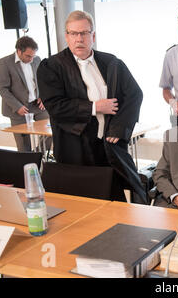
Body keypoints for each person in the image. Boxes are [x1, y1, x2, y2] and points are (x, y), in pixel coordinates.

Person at [37, 10, 147, 203]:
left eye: (84, 33)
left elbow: (134, 94)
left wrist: (119, 128)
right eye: (73, 33)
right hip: (75, 149)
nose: (79, 39)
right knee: (80, 206)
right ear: (66, 36)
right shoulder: (51, 66)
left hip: (108, 148)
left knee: (116, 204)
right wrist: (95, 107)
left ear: (93, 36)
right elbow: (55, 106)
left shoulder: (111, 62)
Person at [0, 36, 51, 152]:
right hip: (18, 109)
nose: (31, 59)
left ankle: (36, 155)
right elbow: (3, 88)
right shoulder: (4, 63)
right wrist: (17, 107)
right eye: (28, 56)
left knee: (53, 131)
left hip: (37, 105)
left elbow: (43, 80)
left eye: (33, 55)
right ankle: (27, 161)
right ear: (19, 51)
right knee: (23, 145)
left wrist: (42, 96)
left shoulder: (36, 59)